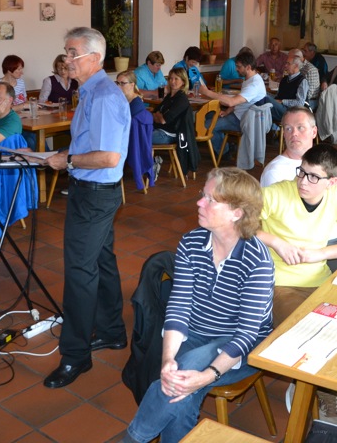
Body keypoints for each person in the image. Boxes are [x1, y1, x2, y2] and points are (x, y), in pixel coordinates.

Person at [123, 168, 274, 443]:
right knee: (180, 384)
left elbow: (246, 334)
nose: (199, 202)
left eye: (210, 199)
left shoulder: (257, 260)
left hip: (242, 347)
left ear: (237, 213)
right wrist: (168, 359)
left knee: (184, 373)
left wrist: (207, 376)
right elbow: (178, 306)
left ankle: (132, 440)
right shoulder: (191, 243)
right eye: (202, 195)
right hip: (196, 334)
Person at [259, 144, 337, 426]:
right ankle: (314, 389)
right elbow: (236, 223)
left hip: (319, 280)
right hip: (280, 283)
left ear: (332, 182)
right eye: (302, 172)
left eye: (313, 177)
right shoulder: (276, 193)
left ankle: (312, 382)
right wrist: (276, 242)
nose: (303, 181)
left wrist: (321, 254)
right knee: (310, 336)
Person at [44, 27, 131, 389]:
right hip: (93, 191)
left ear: (95, 58)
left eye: (73, 53)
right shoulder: (90, 92)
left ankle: (75, 355)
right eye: (66, 52)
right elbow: (91, 145)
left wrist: (68, 160)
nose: (67, 59)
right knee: (101, 261)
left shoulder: (105, 96)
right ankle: (111, 331)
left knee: (80, 271)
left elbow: (108, 156)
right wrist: (68, 156)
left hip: (95, 194)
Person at [198, 49, 266, 157]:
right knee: (210, 115)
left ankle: (224, 152)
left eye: (239, 66)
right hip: (240, 115)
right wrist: (227, 112)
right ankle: (225, 147)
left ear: (248, 67)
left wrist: (207, 92)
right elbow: (240, 102)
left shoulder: (254, 85)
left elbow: (231, 102)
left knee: (205, 126)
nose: (236, 69)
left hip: (243, 120)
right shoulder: (250, 79)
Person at [260, 107, 317, 188]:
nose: (294, 133)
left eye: (300, 127)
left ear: (314, 132)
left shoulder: (322, 163)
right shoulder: (275, 172)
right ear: (284, 134)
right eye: (288, 129)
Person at [151, 67, 190, 145]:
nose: (172, 81)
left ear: (183, 82)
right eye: (170, 79)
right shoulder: (169, 96)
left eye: (176, 79)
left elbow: (164, 120)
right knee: (135, 132)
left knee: (138, 137)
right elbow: (154, 112)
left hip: (168, 135)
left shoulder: (181, 99)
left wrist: (158, 116)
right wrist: (159, 116)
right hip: (158, 129)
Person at [269, 54, 309, 121]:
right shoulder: (284, 79)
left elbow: (300, 103)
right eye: (286, 63)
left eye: (288, 63)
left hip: (292, 111)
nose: (285, 65)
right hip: (280, 107)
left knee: (266, 101)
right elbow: (278, 96)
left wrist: (282, 101)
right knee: (264, 97)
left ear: (296, 66)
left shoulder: (302, 81)